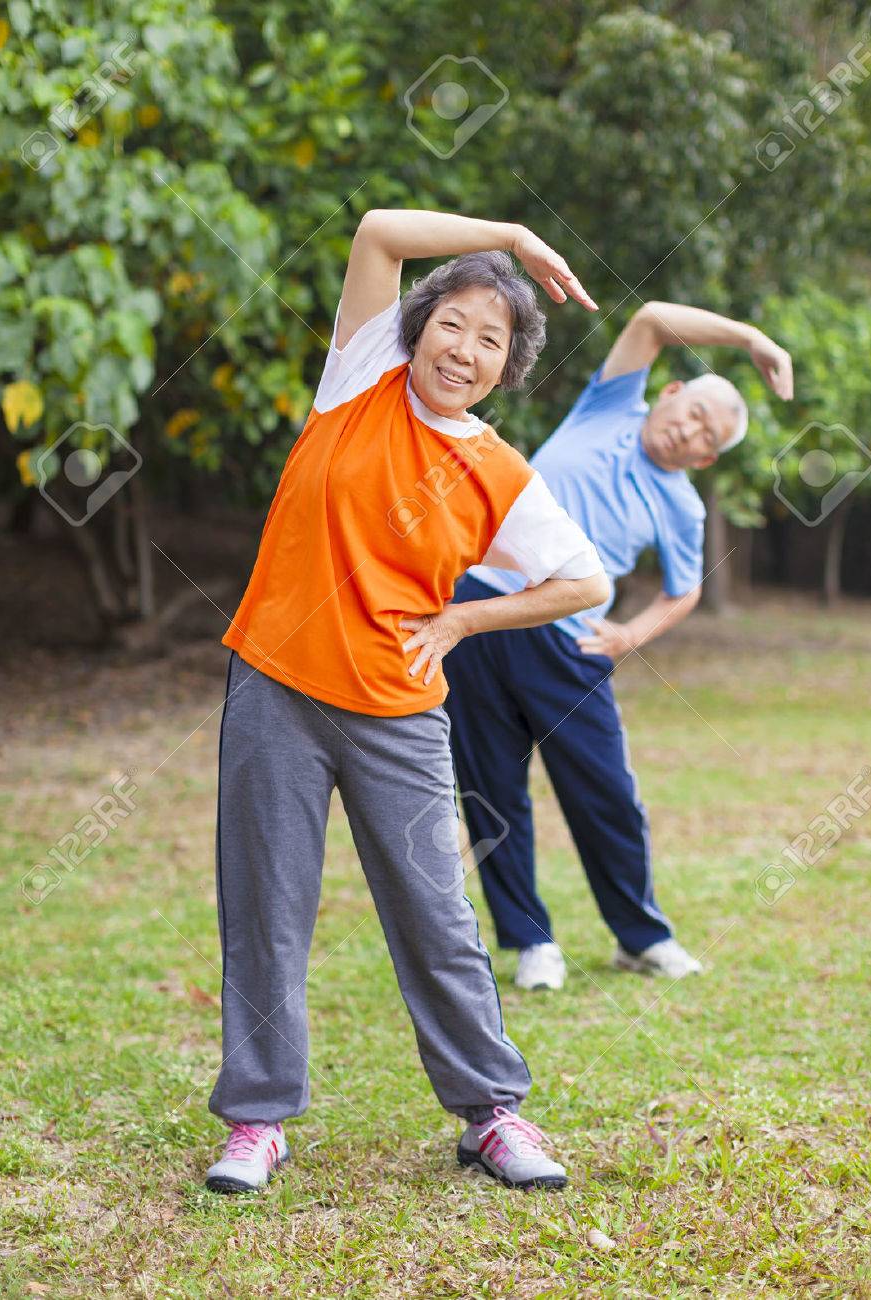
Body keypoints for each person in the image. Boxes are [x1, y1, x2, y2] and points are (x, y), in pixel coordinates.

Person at [202, 206, 611, 1194]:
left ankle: (490, 1115)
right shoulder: (357, 381)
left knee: (437, 913)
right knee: (267, 907)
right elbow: (381, 230)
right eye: (452, 323)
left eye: (491, 339)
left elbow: (584, 582)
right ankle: (258, 1119)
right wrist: (515, 235)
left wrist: (464, 623)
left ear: (507, 366)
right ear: (415, 328)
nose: (464, 349)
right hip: (276, 688)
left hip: (397, 711)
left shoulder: (499, 474)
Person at [444, 301, 793, 990]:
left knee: (605, 792)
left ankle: (641, 936)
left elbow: (683, 589)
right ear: (668, 393)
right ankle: (529, 941)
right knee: (491, 788)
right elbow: (654, 318)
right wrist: (752, 335)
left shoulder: (682, 507)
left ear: (707, 456)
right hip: (481, 608)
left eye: (706, 435)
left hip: (572, 643)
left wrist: (631, 634)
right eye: (690, 410)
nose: (688, 430)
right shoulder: (606, 407)